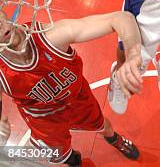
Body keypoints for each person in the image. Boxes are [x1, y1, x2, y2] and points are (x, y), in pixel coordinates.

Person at [0, 10, 142, 165]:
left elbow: (120, 18)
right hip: (43, 119)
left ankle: (113, 138)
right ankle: (75, 162)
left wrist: (133, 54)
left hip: (77, 100)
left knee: (102, 125)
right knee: (61, 155)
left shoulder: (52, 37)